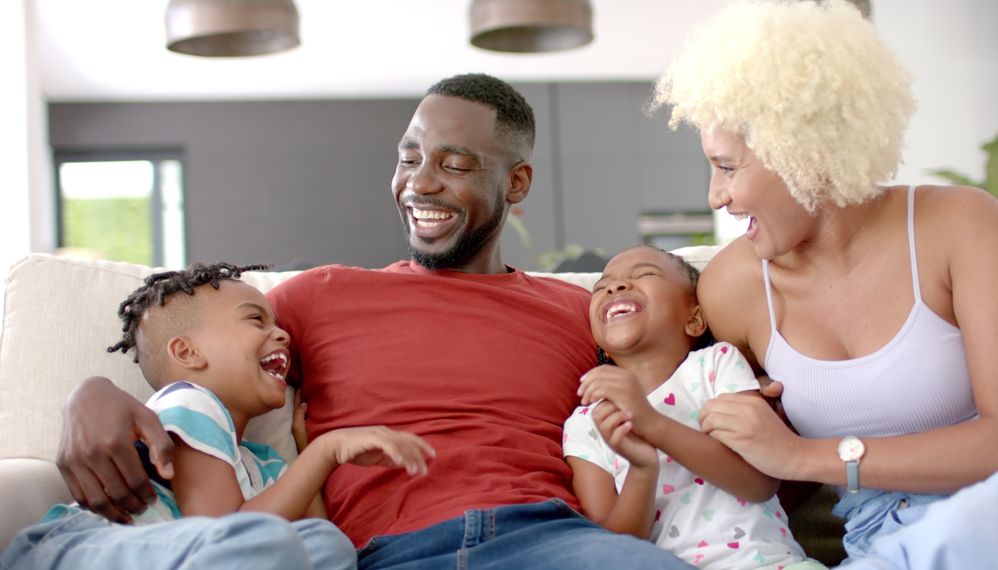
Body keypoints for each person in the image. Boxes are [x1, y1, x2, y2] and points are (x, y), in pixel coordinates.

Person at [51, 74, 691, 569]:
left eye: (454, 165)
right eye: (409, 158)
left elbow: (690, 367)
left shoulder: (580, 312)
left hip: (554, 542)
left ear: (516, 182)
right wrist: (91, 395)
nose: (421, 183)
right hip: (384, 554)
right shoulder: (320, 297)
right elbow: (198, 346)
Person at [651, 1, 998, 568]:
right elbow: (760, 480)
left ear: (802, 153)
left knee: (971, 531)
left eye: (727, 166)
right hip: (884, 537)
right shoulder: (731, 288)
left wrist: (802, 455)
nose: (715, 196)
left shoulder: (961, 225)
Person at [2, 262, 437, 570]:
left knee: (328, 547)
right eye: (256, 320)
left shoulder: (264, 463)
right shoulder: (189, 402)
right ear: (188, 352)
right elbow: (223, 528)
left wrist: (305, 452)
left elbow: (318, 537)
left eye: (277, 324)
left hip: (191, 554)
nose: (281, 334)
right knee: (263, 540)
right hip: (84, 551)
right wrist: (327, 449)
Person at [564, 245, 824, 569]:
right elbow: (611, 548)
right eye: (601, 287)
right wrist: (642, 470)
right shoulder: (587, 424)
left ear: (695, 318)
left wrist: (653, 424)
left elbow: (759, 483)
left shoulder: (716, 366)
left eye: (645, 274)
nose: (615, 287)